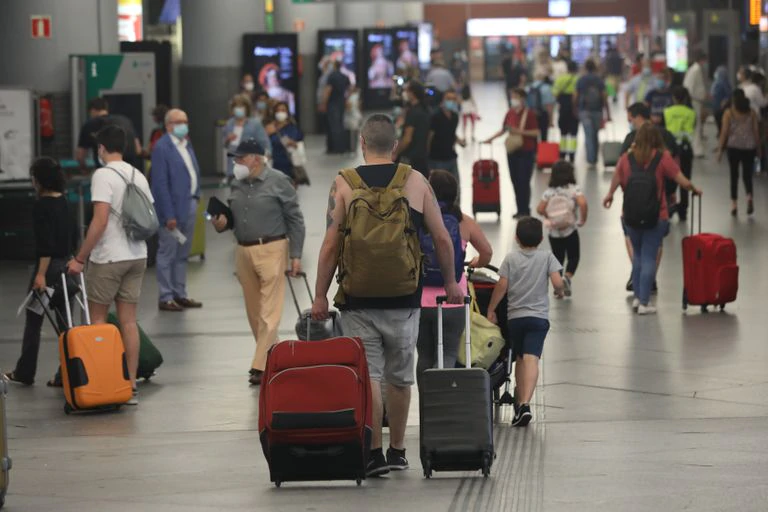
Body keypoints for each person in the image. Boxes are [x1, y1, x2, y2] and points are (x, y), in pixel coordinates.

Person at [311, 114, 463, 477]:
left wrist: (320, 295)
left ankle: (374, 454)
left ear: (362, 142)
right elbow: (442, 238)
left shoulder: (343, 184)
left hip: (358, 298)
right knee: (399, 376)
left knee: (370, 375)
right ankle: (397, 450)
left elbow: (331, 244)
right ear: (395, 146)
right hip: (404, 296)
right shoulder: (415, 180)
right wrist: (452, 283)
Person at [66, 125, 155, 404]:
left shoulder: (102, 175)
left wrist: (80, 257)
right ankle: (129, 385)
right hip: (137, 255)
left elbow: (100, 221)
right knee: (129, 322)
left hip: (109, 258)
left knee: (99, 322)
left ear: (101, 149)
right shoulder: (136, 174)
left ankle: (105, 383)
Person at [211, 138, 305, 386]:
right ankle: (271, 358)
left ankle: (260, 366)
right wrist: (222, 223)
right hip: (243, 251)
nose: (236, 162)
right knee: (254, 312)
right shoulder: (236, 184)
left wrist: (296, 254)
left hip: (272, 248)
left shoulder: (279, 182)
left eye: (240, 158)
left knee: (269, 312)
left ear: (256, 159)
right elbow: (232, 217)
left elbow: (295, 219)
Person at [603, 123, 702, 314]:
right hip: (656, 215)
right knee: (649, 256)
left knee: (638, 256)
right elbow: (681, 178)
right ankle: (644, 303)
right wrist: (693, 189)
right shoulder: (662, 158)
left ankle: (639, 297)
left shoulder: (627, 158)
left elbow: (617, 177)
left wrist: (610, 195)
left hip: (630, 215)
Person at [485, 217, 565, 427]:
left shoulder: (511, 259)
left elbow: (501, 286)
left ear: (516, 238)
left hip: (516, 319)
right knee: (531, 358)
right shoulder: (547, 257)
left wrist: (491, 310)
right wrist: (560, 291)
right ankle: (526, 404)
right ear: (541, 238)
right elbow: (557, 282)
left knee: (520, 358)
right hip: (538, 318)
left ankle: (520, 405)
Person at [416, 170, 493, 380]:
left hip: (419, 300)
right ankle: (442, 402)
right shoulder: (463, 222)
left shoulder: (418, 219)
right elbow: (486, 251)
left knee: (424, 355)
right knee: (448, 353)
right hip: (454, 299)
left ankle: (427, 407)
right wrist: (476, 263)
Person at [4, 158, 74, 387]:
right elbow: (69, 237)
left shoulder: (41, 206)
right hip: (66, 269)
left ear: (41, 180)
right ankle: (68, 372)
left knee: (34, 321)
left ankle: (25, 371)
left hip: (49, 270)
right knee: (66, 323)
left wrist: (40, 275)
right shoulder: (64, 201)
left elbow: (45, 246)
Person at [620, 102, 678, 293]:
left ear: (637, 117)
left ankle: (637, 274)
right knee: (656, 242)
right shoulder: (666, 136)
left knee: (631, 237)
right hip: (660, 200)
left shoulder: (630, 139)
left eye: (630, 118)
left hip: (632, 200)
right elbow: (674, 167)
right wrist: (672, 192)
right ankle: (650, 277)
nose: (629, 122)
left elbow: (622, 171)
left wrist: (621, 195)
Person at [150, 108, 203, 312]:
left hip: (189, 204)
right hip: (171, 209)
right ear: (168, 125)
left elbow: (193, 171)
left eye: (185, 121)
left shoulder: (186, 144)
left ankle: (180, 293)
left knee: (182, 253)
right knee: (167, 253)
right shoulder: (162, 148)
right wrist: (168, 214)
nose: (183, 125)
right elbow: (160, 184)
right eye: (179, 121)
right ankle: (166, 296)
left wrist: (196, 196)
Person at [484, 88, 539, 218]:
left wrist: (519, 132)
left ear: (522, 99)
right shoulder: (510, 113)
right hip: (512, 151)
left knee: (523, 181)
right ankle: (520, 209)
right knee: (514, 180)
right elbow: (504, 129)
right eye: (512, 96)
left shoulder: (529, 114)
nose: (513, 99)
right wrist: (490, 139)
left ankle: (525, 209)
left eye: (515, 96)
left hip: (526, 151)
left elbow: (536, 132)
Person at [536, 160, 587, 297]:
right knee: (574, 256)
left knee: (557, 258)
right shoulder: (574, 189)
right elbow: (582, 203)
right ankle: (567, 277)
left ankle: (558, 288)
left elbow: (540, 209)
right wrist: (582, 219)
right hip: (570, 229)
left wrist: (549, 217)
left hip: (554, 232)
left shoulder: (549, 192)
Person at [717, 89, 760, 217]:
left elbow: (724, 132)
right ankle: (749, 198)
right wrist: (759, 148)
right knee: (747, 176)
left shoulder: (729, 113)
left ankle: (734, 204)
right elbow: (756, 132)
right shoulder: (751, 113)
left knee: (734, 175)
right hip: (749, 147)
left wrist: (720, 149)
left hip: (733, 147)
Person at [76, 97, 143, 171]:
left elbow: (80, 156)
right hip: (130, 171)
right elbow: (138, 149)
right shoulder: (125, 120)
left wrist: (84, 169)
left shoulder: (89, 125)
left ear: (92, 110)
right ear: (106, 108)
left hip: (105, 170)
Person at [664, 86, 696, 221]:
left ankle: (669, 206)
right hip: (685, 150)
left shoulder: (667, 112)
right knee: (685, 179)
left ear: (674, 98)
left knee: (670, 178)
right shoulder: (691, 113)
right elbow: (691, 132)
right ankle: (683, 209)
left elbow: (664, 131)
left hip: (670, 150)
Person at [222, 94, 272, 181]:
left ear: (246, 108)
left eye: (241, 106)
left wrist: (264, 161)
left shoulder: (255, 124)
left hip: (250, 169)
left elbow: (265, 144)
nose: (238, 108)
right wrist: (227, 139)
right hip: (232, 169)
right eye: (236, 106)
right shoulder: (229, 123)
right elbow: (225, 145)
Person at [574, 59, 610, 170]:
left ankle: (591, 160)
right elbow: (604, 96)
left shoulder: (581, 80)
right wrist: (608, 112)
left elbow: (575, 96)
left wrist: (575, 108)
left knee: (588, 134)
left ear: (585, 67)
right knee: (595, 134)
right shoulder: (599, 80)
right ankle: (594, 158)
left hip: (584, 110)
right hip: (597, 110)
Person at [428, 90, 466, 183]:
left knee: (455, 186)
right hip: (437, 159)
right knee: (440, 187)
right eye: (448, 99)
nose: (451, 101)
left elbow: (451, 133)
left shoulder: (455, 117)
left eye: (454, 99)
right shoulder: (435, 116)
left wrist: (459, 141)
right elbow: (429, 137)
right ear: (443, 100)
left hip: (451, 157)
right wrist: (427, 155)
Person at [395, 81, 431, 177]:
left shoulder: (413, 113)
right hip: (422, 157)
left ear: (412, 93)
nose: (404, 93)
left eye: (406, 90)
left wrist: (396, 153)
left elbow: (407, 139)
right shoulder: (425, 110)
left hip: (410, 158)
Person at [264, 102, 304, 183]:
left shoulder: (292, 127)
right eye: (278, 110)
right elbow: (263, 142)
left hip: (288, 165)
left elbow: (296, 141)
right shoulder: (269, 127)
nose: (280, 113)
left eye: (283, 110)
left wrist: (291, 142)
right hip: (272, 164)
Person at [320, 60, 352, 154]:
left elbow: (328, 91)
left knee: (333, 126)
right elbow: (350, 89)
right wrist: (346, 99)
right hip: (341, 103)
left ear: (334, 66)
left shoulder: (332, 76)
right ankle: (342, 147)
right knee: (340, 124)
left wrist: (323, 103)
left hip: (332, 104)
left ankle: (335, 148)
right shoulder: (344, 76)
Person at [683, 52, 709, 157]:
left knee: (696, 125)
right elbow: (690, 88)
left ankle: (696, 148)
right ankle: (696, 149)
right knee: (696, 125)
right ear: (702, 59)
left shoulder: (694, 69)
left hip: (696, 100)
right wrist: (700, 96)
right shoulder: (696, 70)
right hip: (694, 101)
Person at [553, 60, 579, 162]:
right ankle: (572, 155)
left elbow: (555, 94)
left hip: (563, 108)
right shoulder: (578, 80)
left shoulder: (560, 79)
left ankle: (562, 154)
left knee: (563, 132)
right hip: (574, 109)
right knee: (573, 133)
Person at [528, 71, 556, 142]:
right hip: (543, 114)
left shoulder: (529, 87)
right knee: (544, 136)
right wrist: (551, 120)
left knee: (533, 136)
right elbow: (549, 106)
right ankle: (542, 151)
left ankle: (534, 152)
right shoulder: (547, 88)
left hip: (531, 115)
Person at [711, 66, 733, 137]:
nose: (716, 73)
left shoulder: (725, 83)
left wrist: (725, 101)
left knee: (722, 126)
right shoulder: (716, 82)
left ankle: (723, 143)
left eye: (718, 72)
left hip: (722, 108)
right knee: (719, 125)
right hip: (716, 107)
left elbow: (729, 94)